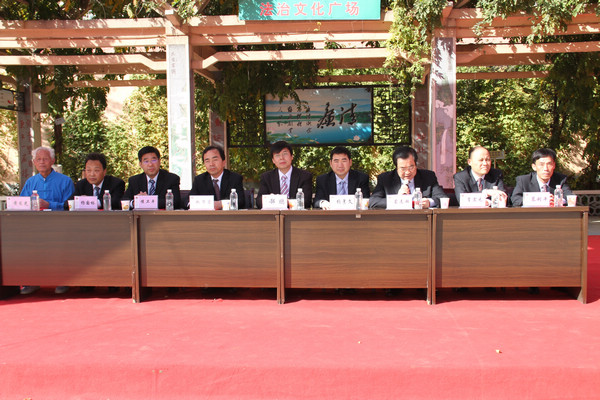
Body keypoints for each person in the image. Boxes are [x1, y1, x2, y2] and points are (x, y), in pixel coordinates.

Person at [20, 146, 75, 295]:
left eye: (45, 159)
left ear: (52, 161)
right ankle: (32, 281)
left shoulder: (65, 181)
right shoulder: (31, 182)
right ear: (34, 162)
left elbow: (70, 205)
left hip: (59, 225)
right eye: (38, 159)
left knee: (60, 249)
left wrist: (49, 204)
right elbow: (22, 203)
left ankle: (63, 280)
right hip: (34, 226)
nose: (41, 162)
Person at [369, 145, 447, 209]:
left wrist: (429, 202)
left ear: (416, 165)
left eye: (411, 167)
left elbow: (442, 198)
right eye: (403, 169)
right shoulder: (385, 179)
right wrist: (397, 199)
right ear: (396, 167)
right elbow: (373, 201)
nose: (407, 172)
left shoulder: (428, 176)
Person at [256, 141, 312, 209]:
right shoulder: (266, 177)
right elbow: (259, 202)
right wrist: (271, 199)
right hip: (274, 215)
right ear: (273, 160)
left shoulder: (304, 176)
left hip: (296, 215)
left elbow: (306, 202)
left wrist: (283, 202)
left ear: (292, 156)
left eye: (285, 154)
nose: (281, 158)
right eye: (277, 155)